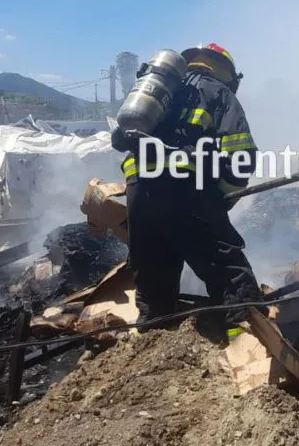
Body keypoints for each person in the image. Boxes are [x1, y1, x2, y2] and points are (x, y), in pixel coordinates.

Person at [111, 42, 264, 341]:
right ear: (226, 72)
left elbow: (123, 142)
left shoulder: (160, 94)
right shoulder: (217, 92)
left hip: (140, 194)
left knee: (153, 282)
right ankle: (245, 344)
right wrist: (222, 197)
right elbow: (241, 153)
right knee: (229, 276)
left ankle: (150, 349)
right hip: (187, 191)